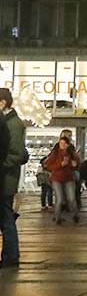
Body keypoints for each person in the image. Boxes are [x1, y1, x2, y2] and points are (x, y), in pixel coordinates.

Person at [0, 88, 27, 267]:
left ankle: (11, 256)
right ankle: (10, 255)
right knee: (5, 218)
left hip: (6, 179)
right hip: (4, 177)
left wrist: (1, 165)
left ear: (3, 103)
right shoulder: (7, 122)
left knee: (6, 218)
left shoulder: (13, 124)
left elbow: (17, 154)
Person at [44, 137, 79, 225]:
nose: (62, 145)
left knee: (71, 198)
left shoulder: (72, 153)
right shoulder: (55, 153)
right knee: (59, 199)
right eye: (61, 143)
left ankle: (75, 214)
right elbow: (47, 166)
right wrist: (60, 164)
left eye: (64, 143)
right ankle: (57, 217)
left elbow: (78, 164)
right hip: (57, 178)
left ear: (68, 144)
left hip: (69, 178)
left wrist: (75, 165)